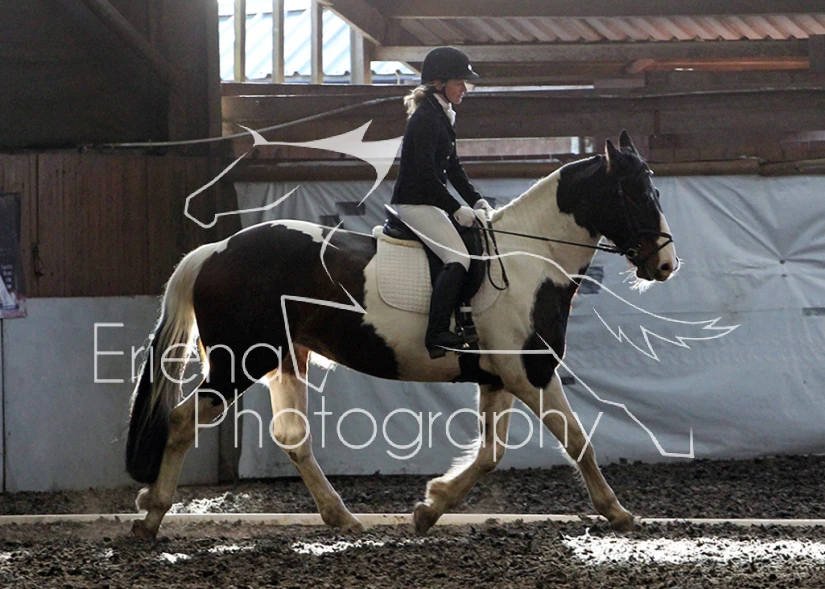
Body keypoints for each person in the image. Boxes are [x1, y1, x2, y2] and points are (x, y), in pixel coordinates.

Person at [391, 46, 492, 359]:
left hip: (429, 201)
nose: (465, 89)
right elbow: (424, 175)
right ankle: (436, 334)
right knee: (458, 258)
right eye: (459, 83)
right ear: (439, 83)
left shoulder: (441, 114)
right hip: (414, 203)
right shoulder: (426, 119)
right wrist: (455, 208)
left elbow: (453, 168)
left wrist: (475, 199)